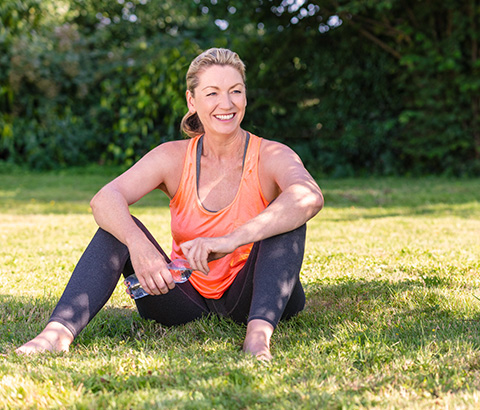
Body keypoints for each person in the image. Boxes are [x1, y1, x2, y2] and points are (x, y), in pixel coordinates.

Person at [16, 48, 323, 360]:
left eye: (235, 91)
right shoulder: (173, 157)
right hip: (182, 297)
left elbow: (309, 196)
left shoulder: (271, 154)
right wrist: (140, 246)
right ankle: (56, 334)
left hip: (257, 295)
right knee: (118, 229)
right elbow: (104, 199)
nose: (226, 104)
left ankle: (257, 339)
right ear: (192, 100)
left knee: (287, 221)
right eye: (212, 93)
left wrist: (231, 240)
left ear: (245, 96)